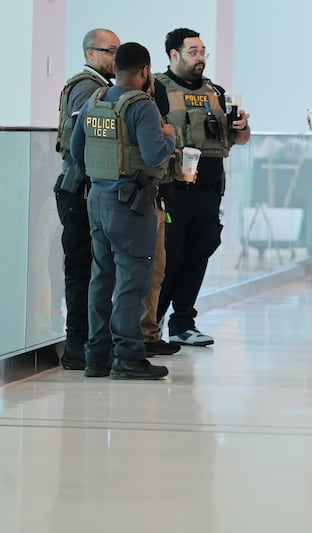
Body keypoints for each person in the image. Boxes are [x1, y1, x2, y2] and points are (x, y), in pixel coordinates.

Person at [70, 42, 176, 379]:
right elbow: (153, 153)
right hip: (131, 203)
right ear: (145, 71)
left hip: (97, 200)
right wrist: (170, 137)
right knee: (133, 279)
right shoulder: (142, 106)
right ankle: (129, 355)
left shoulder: (95, 100)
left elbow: (76, 149)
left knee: (101, 279)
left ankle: (96, 356)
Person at [154, 28, 251, 347]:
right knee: (170, 256)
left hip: (210, 188)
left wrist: (242, 127)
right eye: (193, 52)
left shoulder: (217, 92)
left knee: (200, 252)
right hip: (173, 189)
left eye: (203, 52)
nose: (200, 58)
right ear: (174, 55)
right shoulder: (157, 88)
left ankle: (183, 322)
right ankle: (151, 322)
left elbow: (236, 140)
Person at [54, 28, 120, 370]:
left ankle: (90, 342)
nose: (116, 58)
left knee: (93, 268)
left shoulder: (101, 87)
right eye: (110, 51)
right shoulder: (87, 87)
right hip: (77, 191)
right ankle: (76, 344)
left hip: (85, 190)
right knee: (81, 268)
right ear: (91, 54)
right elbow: (87, 138)